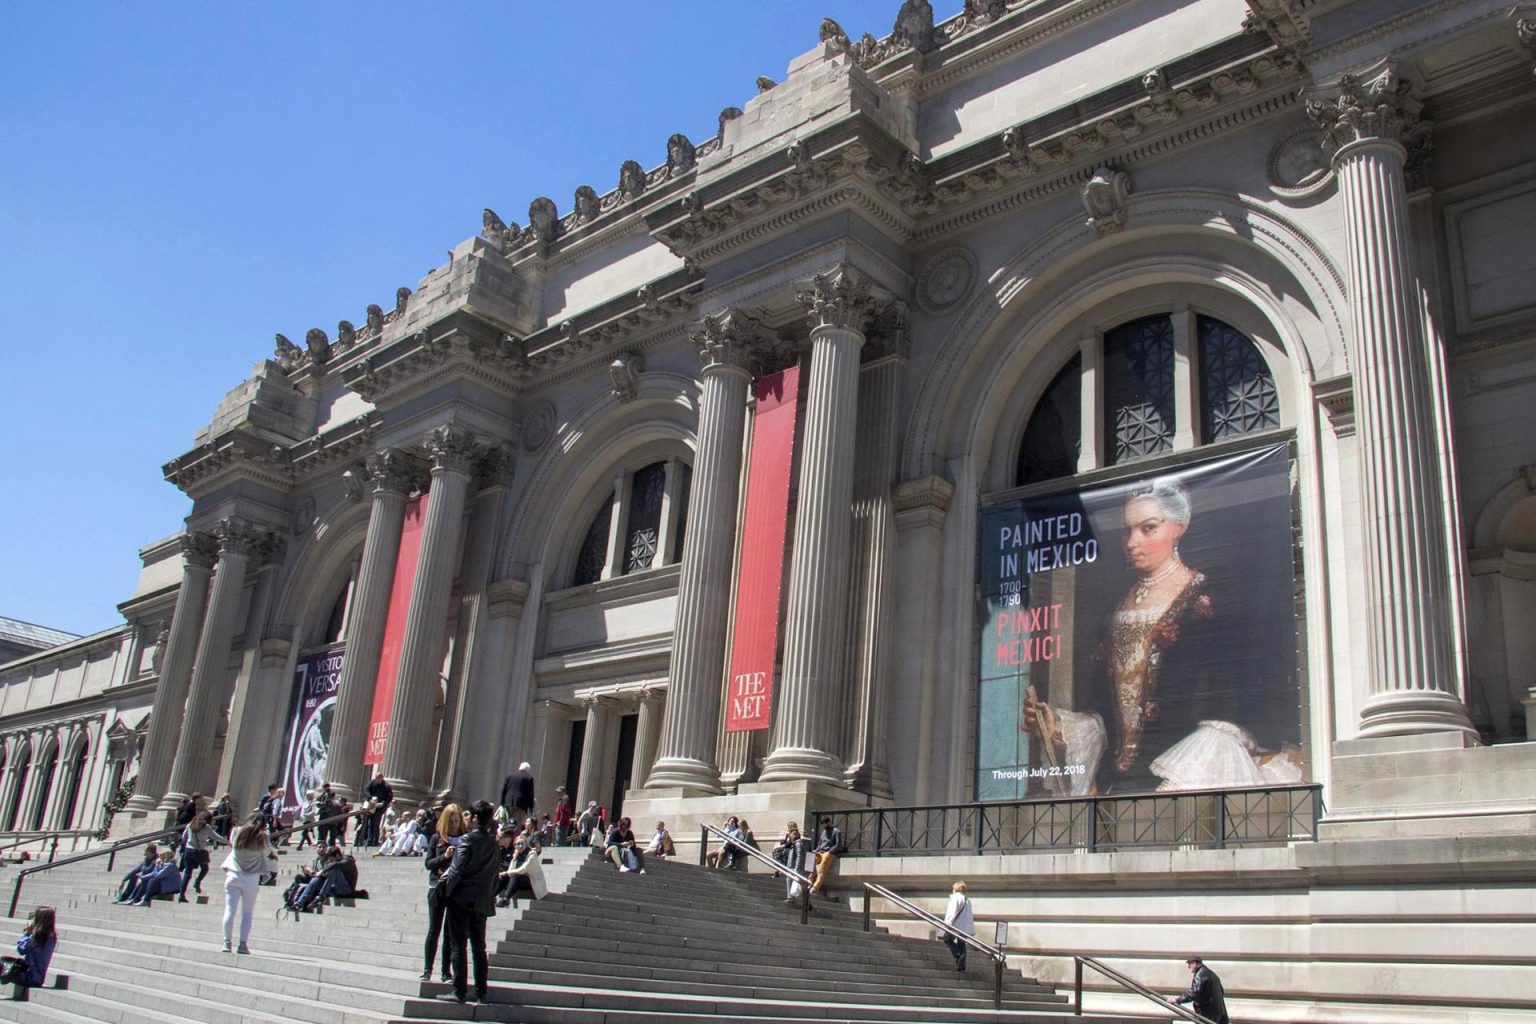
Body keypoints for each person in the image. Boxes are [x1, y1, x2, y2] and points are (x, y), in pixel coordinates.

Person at [1021, 480, 1303, 794]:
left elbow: (1235, 693)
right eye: (1127, 531)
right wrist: (1057, 726)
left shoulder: (1208, 600)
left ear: (1178, 528)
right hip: (1120, 781)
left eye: (1148, 528)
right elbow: (1105, 708)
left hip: (1189, 772)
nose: (1132, 542)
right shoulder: (1114, 610)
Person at [434, 800, 500, 1005]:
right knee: (479, 948)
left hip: (461, 899)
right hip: (481, 902)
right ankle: (482, 992)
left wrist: (445, 890)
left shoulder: (467, 840)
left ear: (473, 818)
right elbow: (495, 878)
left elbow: (456, 870)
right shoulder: (494, 845)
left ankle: (459, 991)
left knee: (458, 945)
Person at [221, 812, 279, 954]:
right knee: (247, 913)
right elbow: (268, 854)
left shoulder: (235, 831)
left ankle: (227, 943)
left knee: (229, 910)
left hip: (233, 874)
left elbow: (232, 846)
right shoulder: (263, 836)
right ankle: (242, 944)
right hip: (251, 878)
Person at [421, 803, 463, 983]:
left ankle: (446, 972)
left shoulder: (465, 839)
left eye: (457, 820)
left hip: (455, 888)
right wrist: (445, 856)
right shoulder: (436, 839)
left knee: (449, 933)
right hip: (437, 886)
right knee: (434, 930)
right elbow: (428, 863)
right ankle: (427, 969)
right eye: (452, 821)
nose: (454, 824)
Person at [0, 906, 56, 990]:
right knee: (5, 963)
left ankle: (5, 977)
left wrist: (27, 933)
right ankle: (5, 977)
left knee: (3, 965)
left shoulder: (38, 936)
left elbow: (21, 949)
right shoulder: (51, 936)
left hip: (29, 976)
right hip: (37, 977)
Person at [178, 811, 221, 901]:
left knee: (187, 873)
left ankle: (181, 894)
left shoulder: (191, 824)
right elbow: (214, 836)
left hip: (188, 850)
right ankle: (197, 882)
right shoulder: (206, 827)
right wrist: (226, 841)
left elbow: (184, 836)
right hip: (199, 851)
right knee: (205, 868)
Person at [1173, 957, 1230, 1024]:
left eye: (1189, 965)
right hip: (1219, 1012)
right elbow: (1222, 991)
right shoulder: (1211, 974)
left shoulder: (1200, 974)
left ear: (1194, 964)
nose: (1189, 968)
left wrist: (1178, 1000)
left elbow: (1194, 992)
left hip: (1207, 1013)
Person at [941, 881, 975, 972]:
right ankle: (961, 964)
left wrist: (947, 923)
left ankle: (958, 954)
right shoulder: (967, 900)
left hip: (956, 925)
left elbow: (951, 912)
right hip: (964, 926)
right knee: (961, 943)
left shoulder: (955, 898)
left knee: (947, 939)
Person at [809, 817, 843, 897]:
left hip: (829, 852)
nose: (823, 826)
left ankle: (815, 888)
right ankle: (809, 881)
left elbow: (838, 844)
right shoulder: (824, 832)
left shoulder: (836, 831)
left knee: (821, 869)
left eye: (824, 824)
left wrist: (830, 851)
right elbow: (820, 844)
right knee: (810, 862)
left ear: (828, 822)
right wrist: (816, 851)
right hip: (820, 851)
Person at [363, 771, 393, 847]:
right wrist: (370, 799)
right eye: (377, 778)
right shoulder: (372, 783)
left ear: (382, 778)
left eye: (379, 778)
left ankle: (374, 841)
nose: (378, 780)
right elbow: (366, 790)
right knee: (370, 823)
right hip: (371, 805)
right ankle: (369, 841)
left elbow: (389, 797)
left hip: (380, 807)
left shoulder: (386, 786)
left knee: (375, 823)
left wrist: (383, 803)